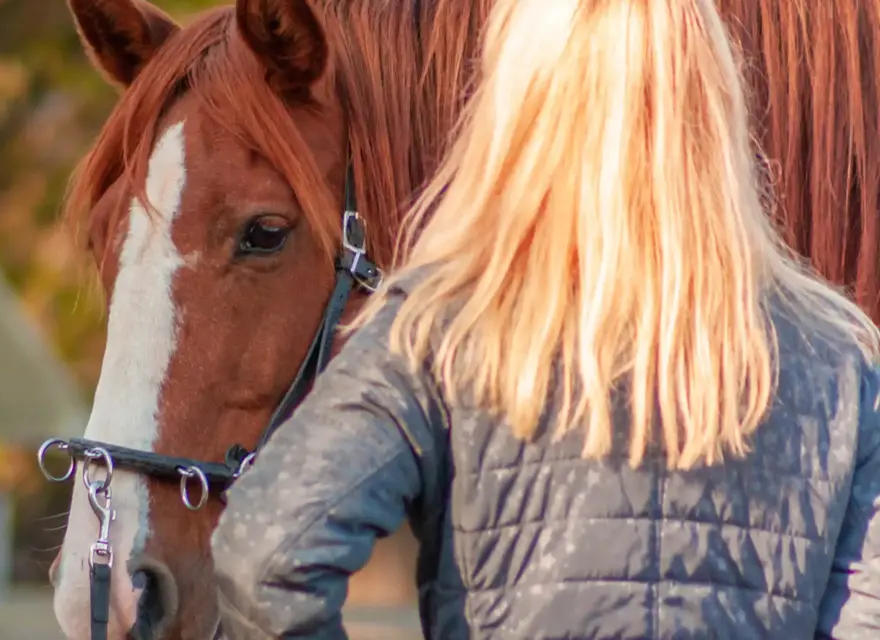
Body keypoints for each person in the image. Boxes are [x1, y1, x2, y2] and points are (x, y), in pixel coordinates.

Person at [209, 0, 880, 638]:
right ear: (716, 104)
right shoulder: (838, 358)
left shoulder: (435, 332)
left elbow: (265, 556)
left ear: (518, 107)